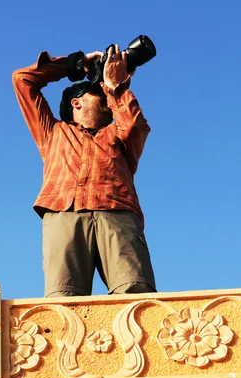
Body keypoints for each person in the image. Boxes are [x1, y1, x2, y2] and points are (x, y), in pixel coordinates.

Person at [12, 45, 156, 297]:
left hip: (116, 212)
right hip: (63, 212)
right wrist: (75, 65)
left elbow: (135, 125)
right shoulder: (53, 132)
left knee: (134, 292)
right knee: (63, 298)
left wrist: (116, 86)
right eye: (98, 93)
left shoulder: (119, 135)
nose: (105, 96)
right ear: (76, 102)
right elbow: (22, 80)